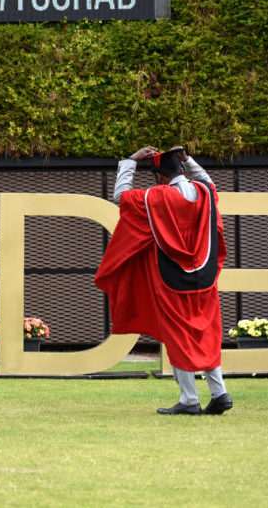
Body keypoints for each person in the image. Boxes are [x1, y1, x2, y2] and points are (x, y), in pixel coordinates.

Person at [95, 145, 232, 415]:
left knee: (177, 336)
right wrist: (189, 159)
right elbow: (208, 182)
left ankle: (190, 400)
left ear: (159, 176)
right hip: (204, 279)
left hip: (172, 279)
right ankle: (220, 393)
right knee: (207, 333)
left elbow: (121, 196)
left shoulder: (155, 197)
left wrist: (132, 161)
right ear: (180, 169)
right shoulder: (204, 193)